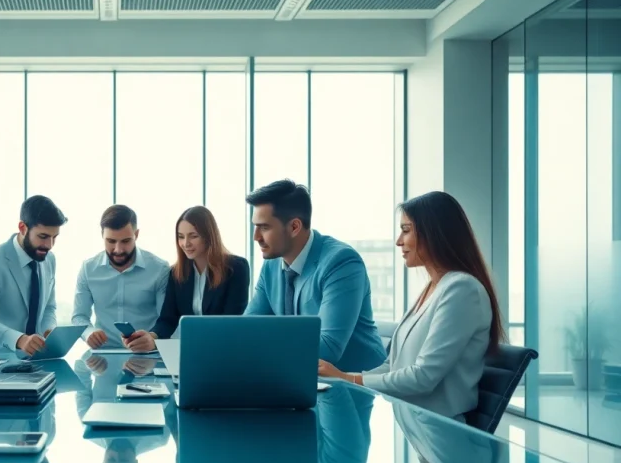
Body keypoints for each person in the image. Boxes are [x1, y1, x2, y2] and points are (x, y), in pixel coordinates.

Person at [319, 191, 505, 420]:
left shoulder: (462, 289)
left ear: (434, 233)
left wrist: (348, 379)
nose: (399, 241)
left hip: (442, 433)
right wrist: (343, 377)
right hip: (414, 424)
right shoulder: (433, 288)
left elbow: (424, 376)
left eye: (406, 230)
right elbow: (393, 365)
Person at [245, 179, 386, 372]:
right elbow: (246, 330)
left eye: (265, 227)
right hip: (299, 380)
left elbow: (328, 348)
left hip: (358, 388)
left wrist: (259, 346)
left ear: (294, 227)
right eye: (255, 226)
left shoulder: (341, 262)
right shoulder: (271, 266)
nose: (256, 237)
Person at [124, 206, 250, 352]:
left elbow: (231, 321)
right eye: (181, 236)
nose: (186, 243)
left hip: (225, 350)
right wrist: (151, 337)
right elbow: (168, 320)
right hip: (191, 350)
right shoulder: (176, 273)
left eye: (193, 236)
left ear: (209, 236)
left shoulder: (235, 268)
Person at [0, 195, 67, 355]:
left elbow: (49, 308)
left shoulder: (49, 259)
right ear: (23, 228)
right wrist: (20, 340)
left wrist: (48, 330)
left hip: (38, 358)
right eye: (43, 237)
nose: (49, 245)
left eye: (54, 237)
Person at [71, 205, 170, 350]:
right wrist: (88, 333)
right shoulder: (88, 269)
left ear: (136, 235)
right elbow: (79, 316)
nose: (118, 250)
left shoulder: (159, 269)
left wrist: (153, 338)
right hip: (103, 356)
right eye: (111, 241)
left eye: (125, 241)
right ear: (102, 235)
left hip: (146, 354)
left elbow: (166, 320)